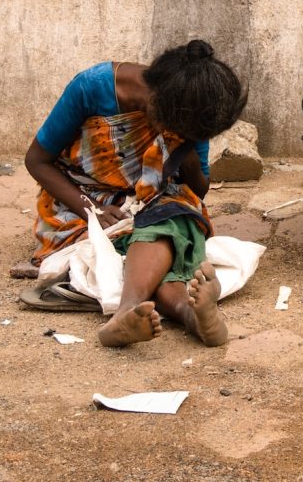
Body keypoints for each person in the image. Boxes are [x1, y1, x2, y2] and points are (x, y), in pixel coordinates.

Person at [21, 39, 247, 348]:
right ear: (159, 104)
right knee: (168, 237)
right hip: (80, 202)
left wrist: (188, 149)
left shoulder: (193, 108)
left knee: (172, 217)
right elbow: (37, 161)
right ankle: (153, 310)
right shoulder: (92, 87)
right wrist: (93, 210)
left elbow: (199, 189)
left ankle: (185, 313)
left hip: (151, 202)